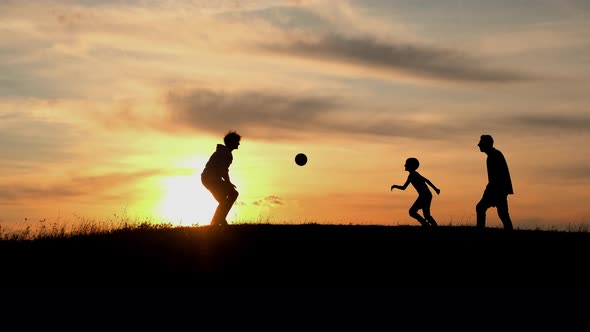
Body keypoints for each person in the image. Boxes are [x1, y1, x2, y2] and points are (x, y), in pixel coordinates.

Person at [201, 131, 241, 226]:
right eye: (237, 141)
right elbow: (223, 170)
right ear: (231, 142)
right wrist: (228, 183)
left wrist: (228, 183)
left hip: (209, 179)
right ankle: (217, 222)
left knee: (224, 200)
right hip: (210, 180)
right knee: (233, 194)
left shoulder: (224, 152)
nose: (238, 143)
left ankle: (217, 222)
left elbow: (223, 170)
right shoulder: (225, 153)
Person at [476, 134, 514, 231]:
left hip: (497, 189)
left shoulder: (494, 156)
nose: (478, 145)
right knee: (503, 213)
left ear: (486, 144)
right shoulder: (494, 155)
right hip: (498, 189)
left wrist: (490, 191)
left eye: (481, 143)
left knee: (481, 208)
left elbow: (496, 177)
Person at [391, 157, 440, 227]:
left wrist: (436, 189)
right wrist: (395, 186)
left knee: (412, 212)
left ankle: (425, 224)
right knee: (426, 215)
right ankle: (431, 226)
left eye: (406, 164)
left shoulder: (414, 174)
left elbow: (426, 180)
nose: (404, 165)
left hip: (424, 196)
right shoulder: (411, 175)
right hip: (426, 195)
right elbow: (404, 187)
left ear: (410, 166)